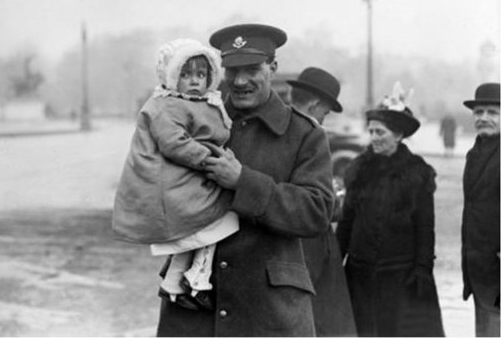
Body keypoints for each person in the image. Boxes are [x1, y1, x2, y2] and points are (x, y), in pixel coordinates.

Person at [156, 24, 335, 337]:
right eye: (232, 70)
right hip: (196, 304)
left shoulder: (304, 134)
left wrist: (242, 181)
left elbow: (316, 212)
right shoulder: (198, 120)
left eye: (252, 69)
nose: (239, 81)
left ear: (272, 68)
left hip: (268, 310)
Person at [113, 38, 239, 311]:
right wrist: (210, 160)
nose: (194, 81)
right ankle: (198, 277)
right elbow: (174, 143)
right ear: (172, 77)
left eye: (200, 75)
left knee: (200, 231)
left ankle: (175, 282)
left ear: (210, 78)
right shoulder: (167, 105)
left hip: (189, 178)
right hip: (173, 184)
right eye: (186, 74)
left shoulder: (204, 103)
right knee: (220, 218)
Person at [336, 82, 444, 337]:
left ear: (397, 135)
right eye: (371, 131)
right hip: (360, 275)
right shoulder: (358, 170)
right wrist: (336, 265)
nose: (373, 138)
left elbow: (425, 228)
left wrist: (422, 271)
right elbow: (347, 223)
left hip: (401, 277)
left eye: (380, 132)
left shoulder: (417, 173)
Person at [287, 67, 356, 337]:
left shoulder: (277, 130)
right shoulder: (310, 136)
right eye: (325, 113)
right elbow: (314, 201)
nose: (324, 120)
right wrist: (336, 203)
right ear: (316, 105)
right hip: (310, 247)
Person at [461, 82, 500, 337]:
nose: (483, 118)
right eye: (478, 112)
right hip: (479, 268)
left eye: (492, 112)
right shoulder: (474, 152)